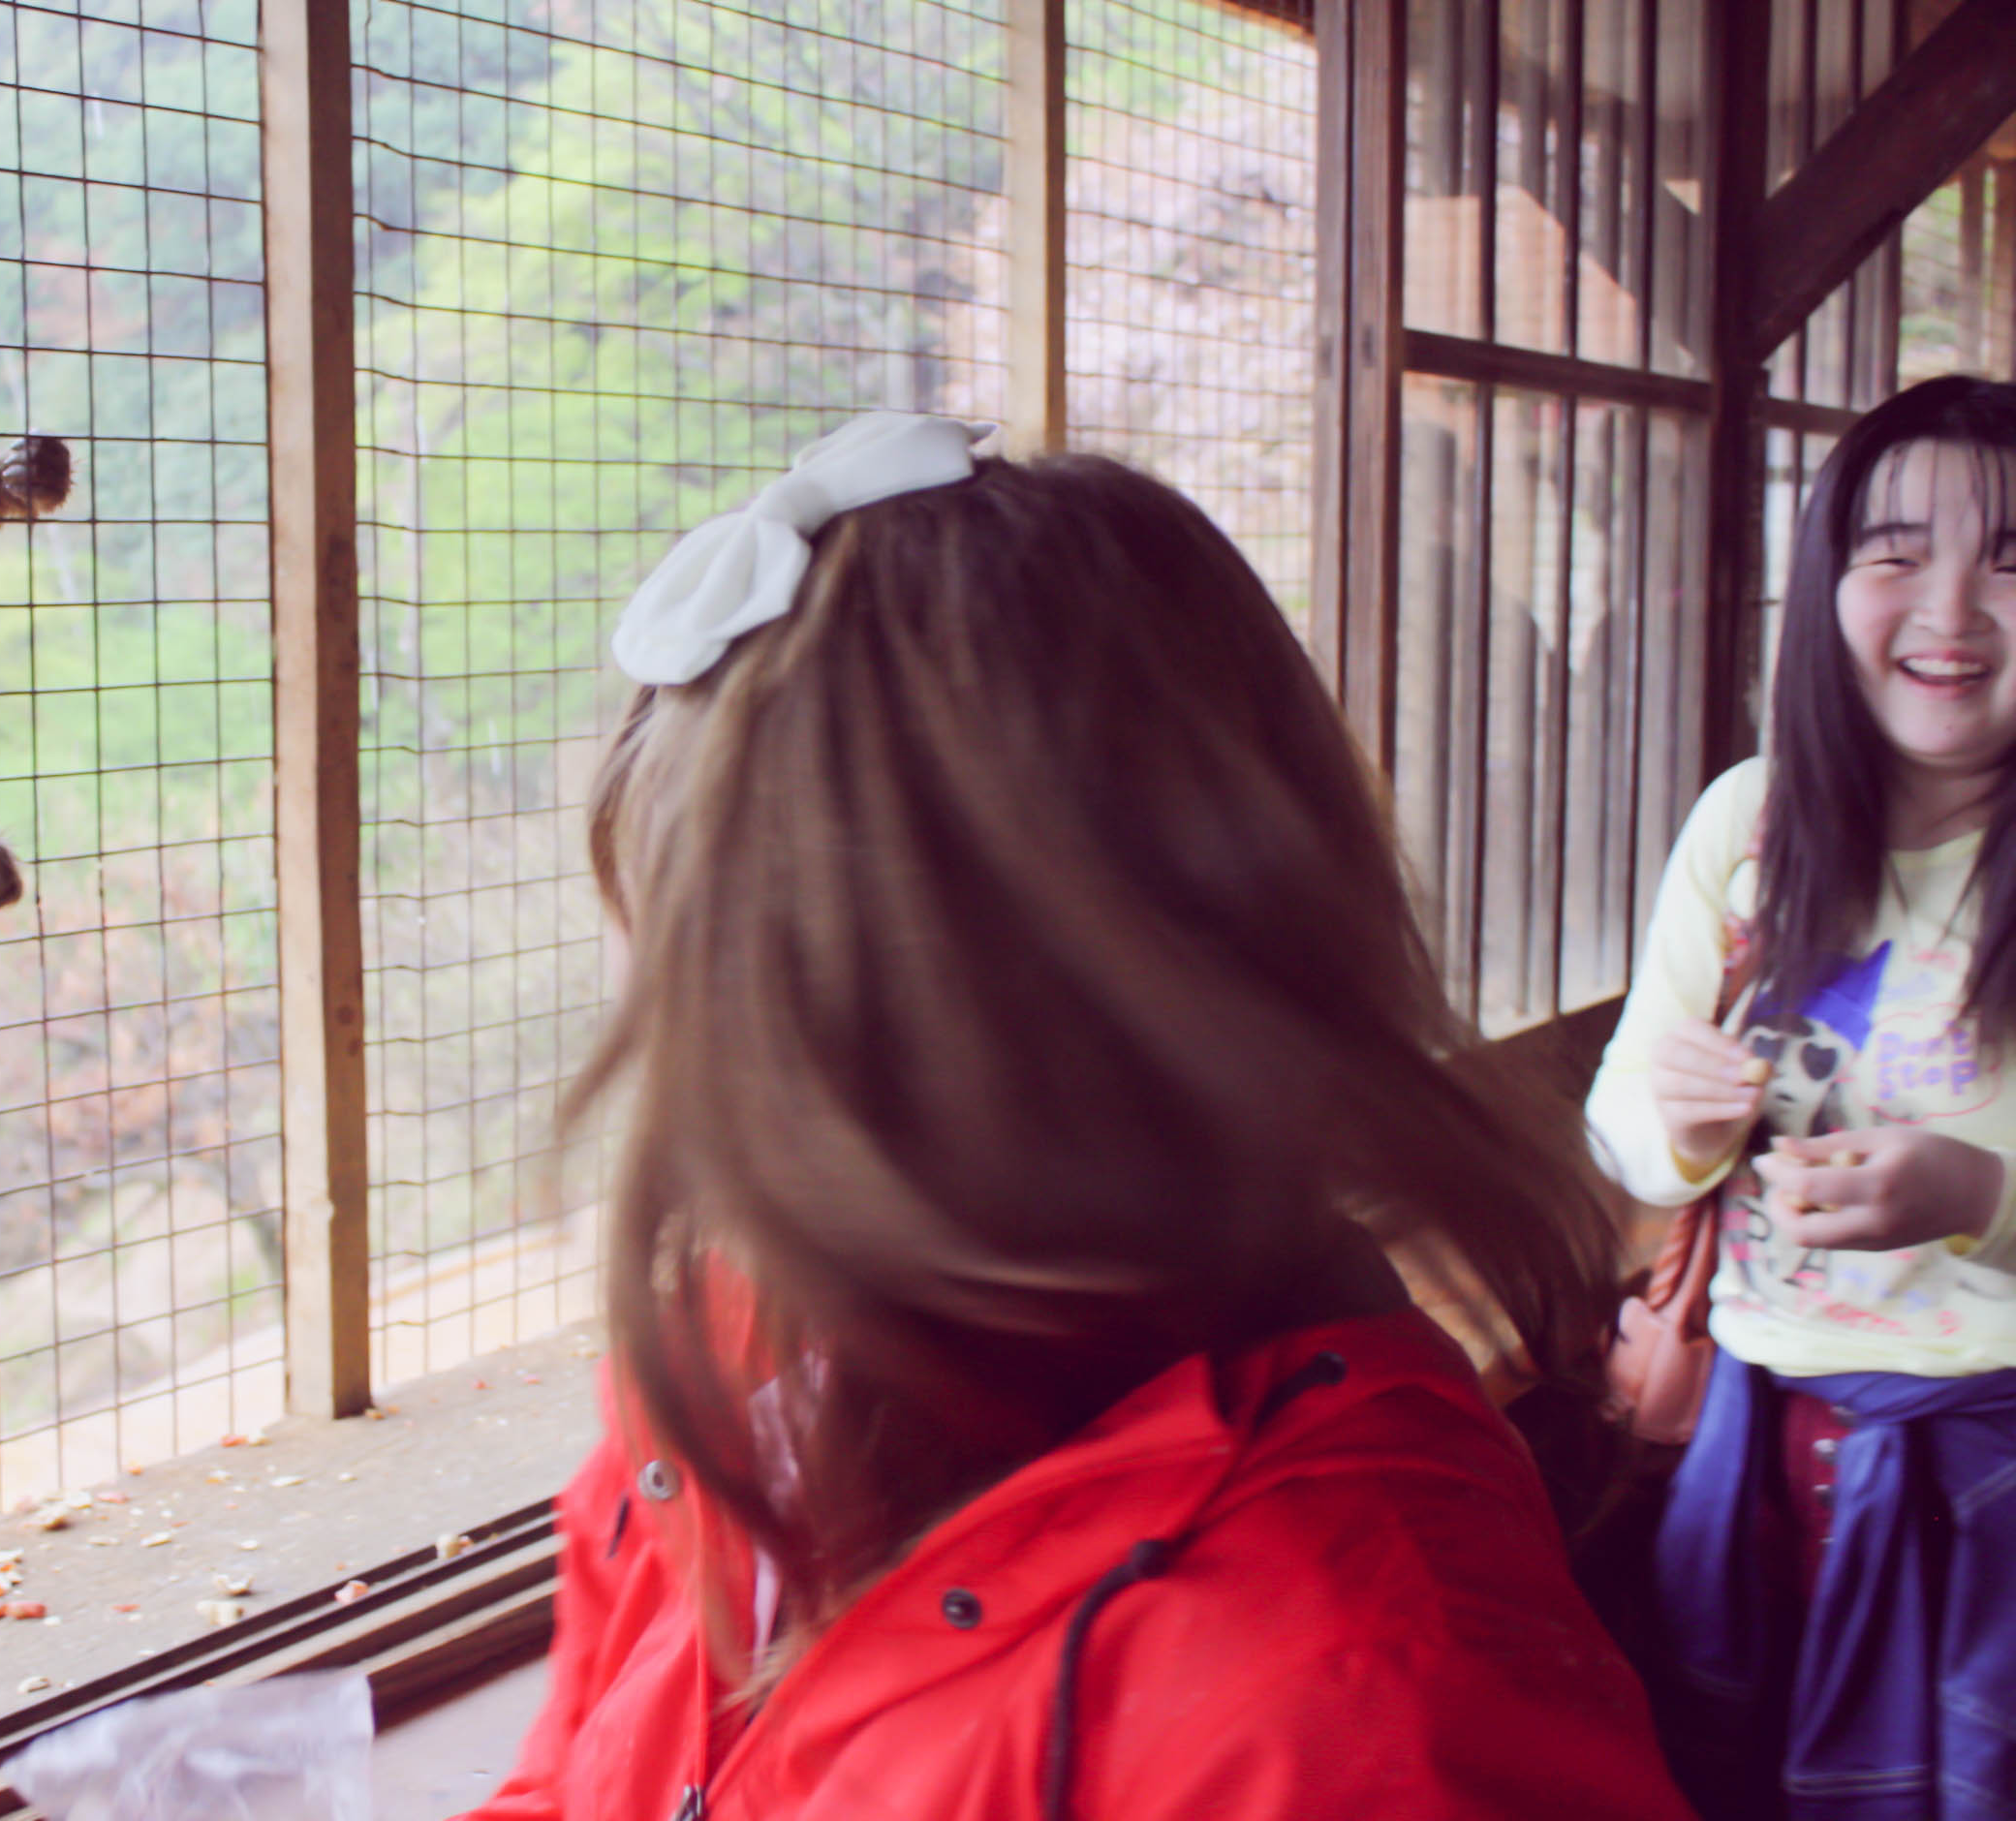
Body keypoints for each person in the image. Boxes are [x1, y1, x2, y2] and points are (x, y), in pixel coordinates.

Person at [457, 414, 1691, 1821]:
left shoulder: (1360, 1715)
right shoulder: (724, 1367)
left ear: (1083, 1023)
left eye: (746, 1036)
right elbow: (579, 1780)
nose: (686, 1118)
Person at [1586, 374, 2016, 1818]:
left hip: (1990, 1478)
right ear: (1829, 583)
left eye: (2014, 559)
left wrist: (1981, 1196)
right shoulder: (1750, 821)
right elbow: (1627, 1122)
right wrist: (1688, 1124)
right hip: (1758, 1447)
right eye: (1896, 553)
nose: (1950, 611)